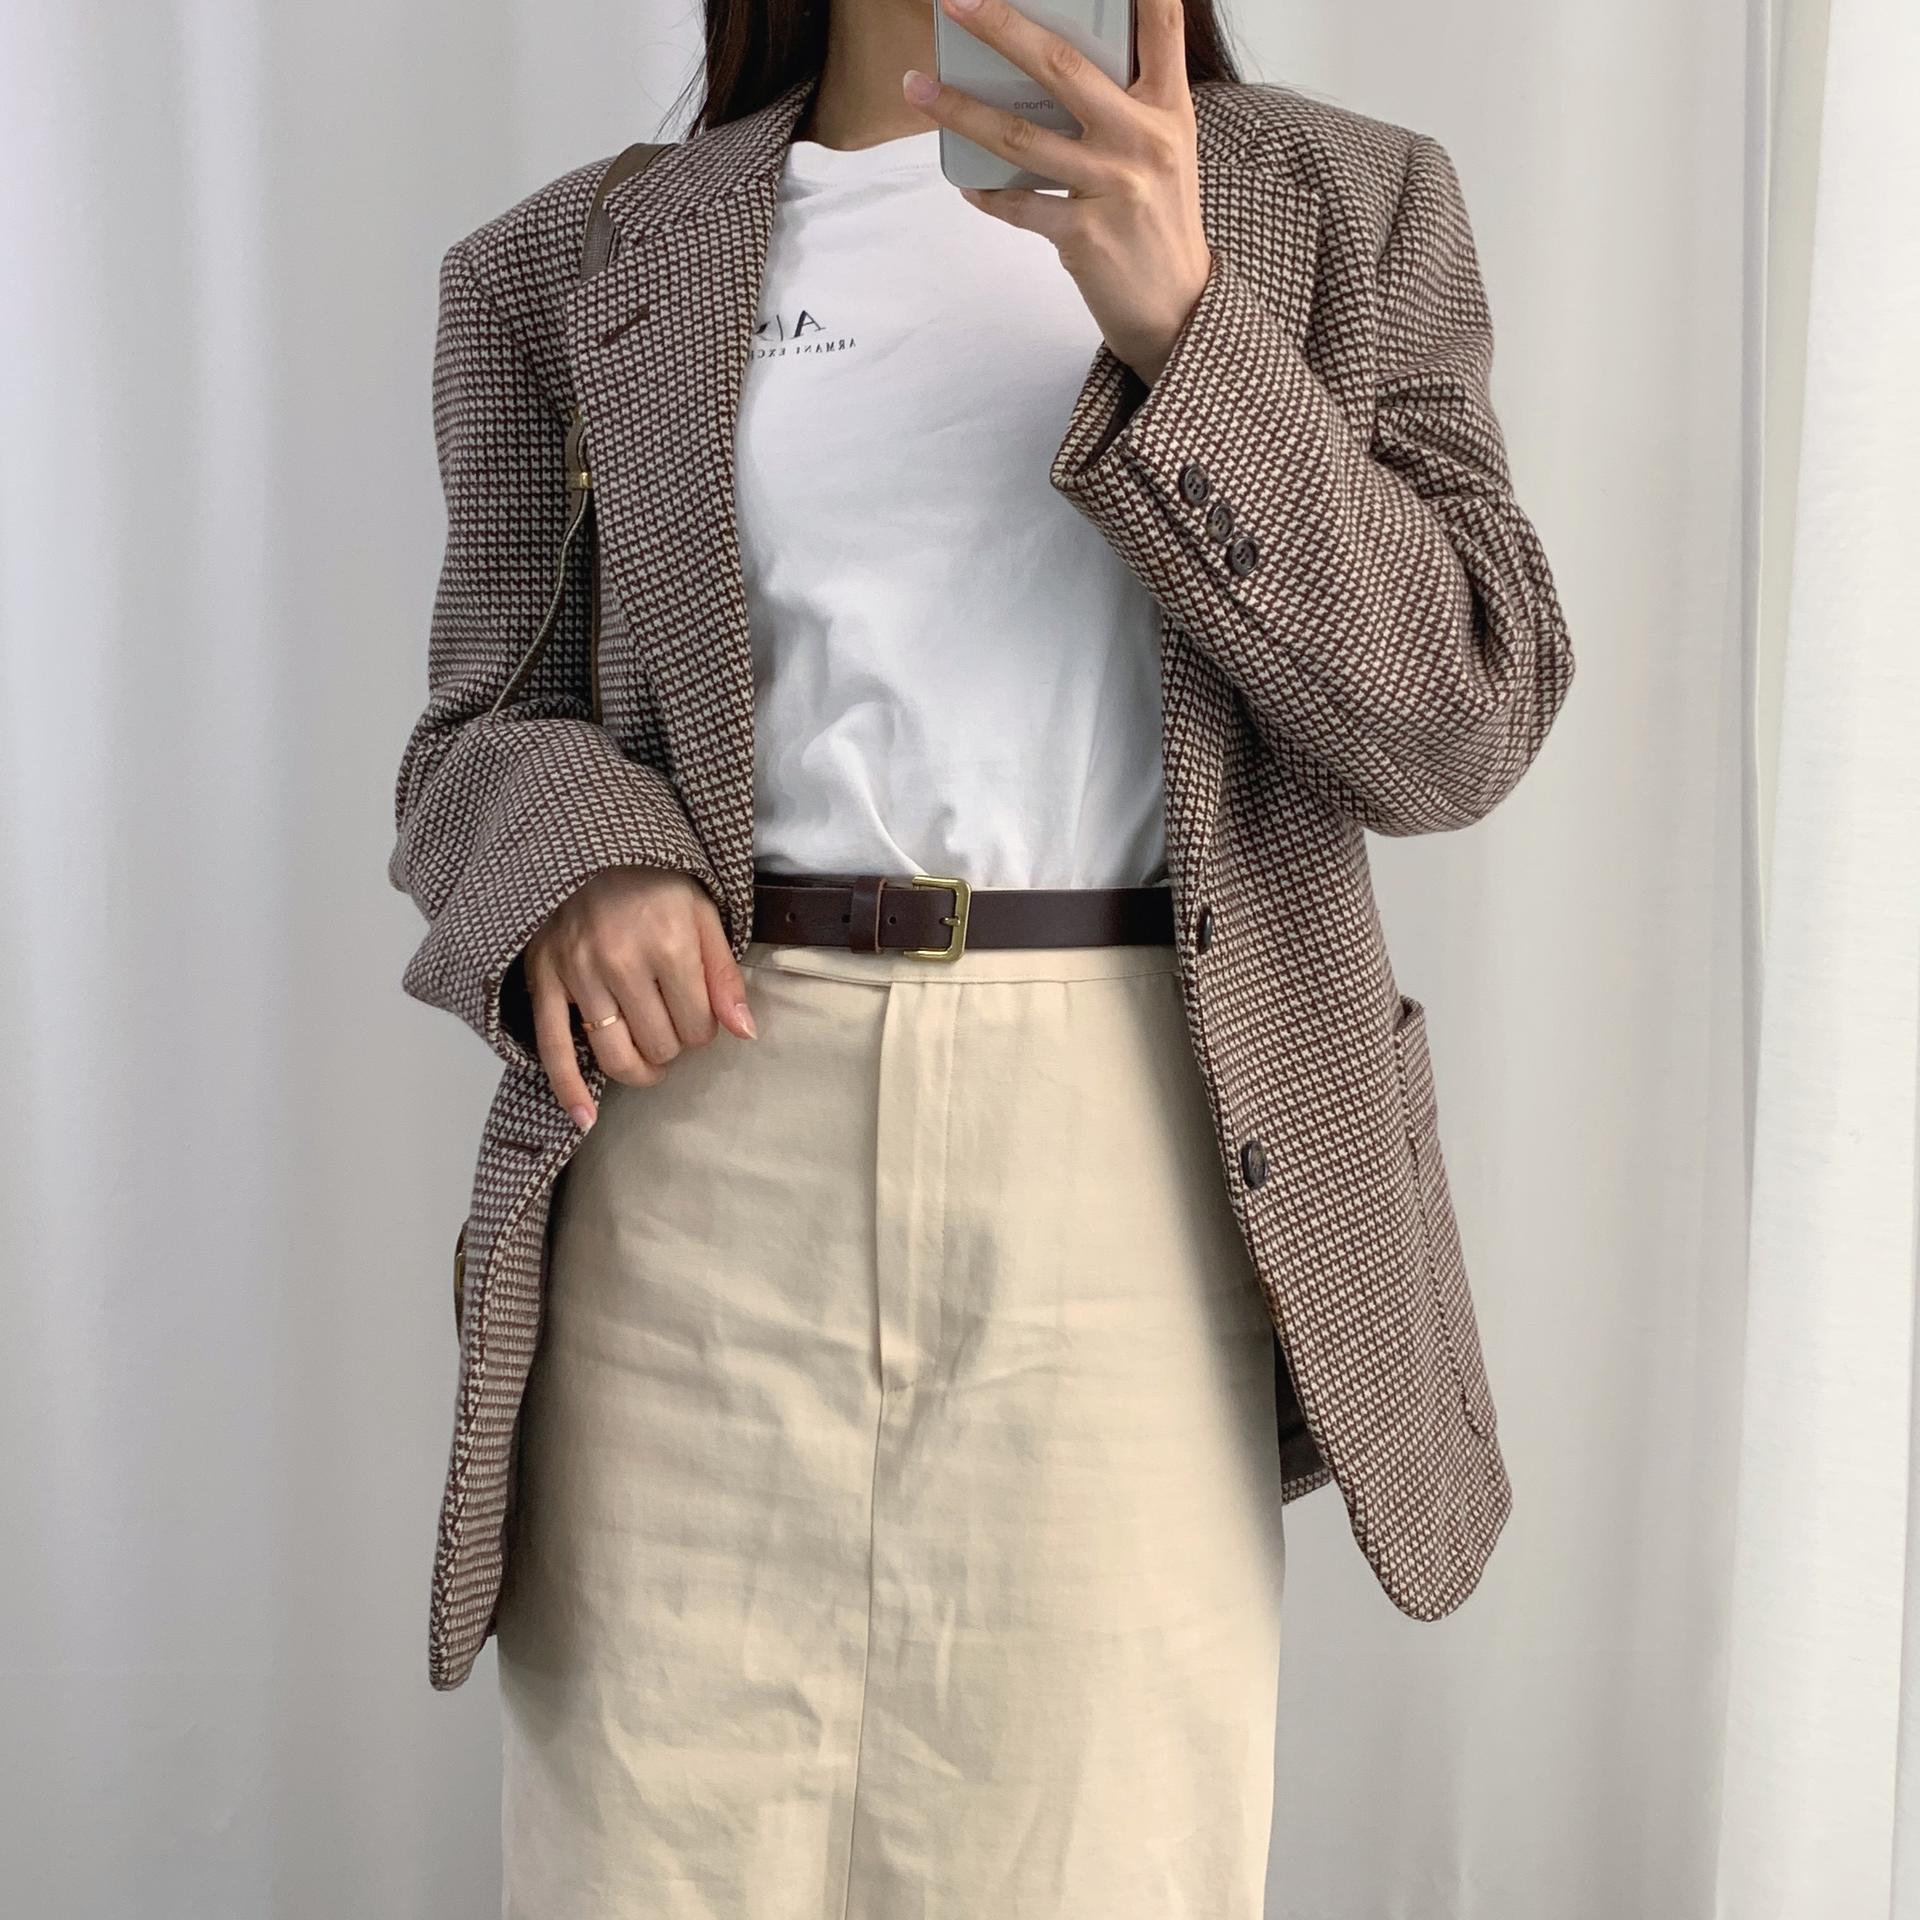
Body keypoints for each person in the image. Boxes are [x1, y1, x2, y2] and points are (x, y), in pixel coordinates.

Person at [387, 0, 1575, 1911]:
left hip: (1135, 1159)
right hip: (702, 1161)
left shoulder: (1340, 210)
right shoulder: (571, 262)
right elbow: (473, 737)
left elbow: (1459, 721)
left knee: (1098, 1857)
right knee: (652, 1855)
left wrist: (1189, 329)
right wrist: (585, 863)